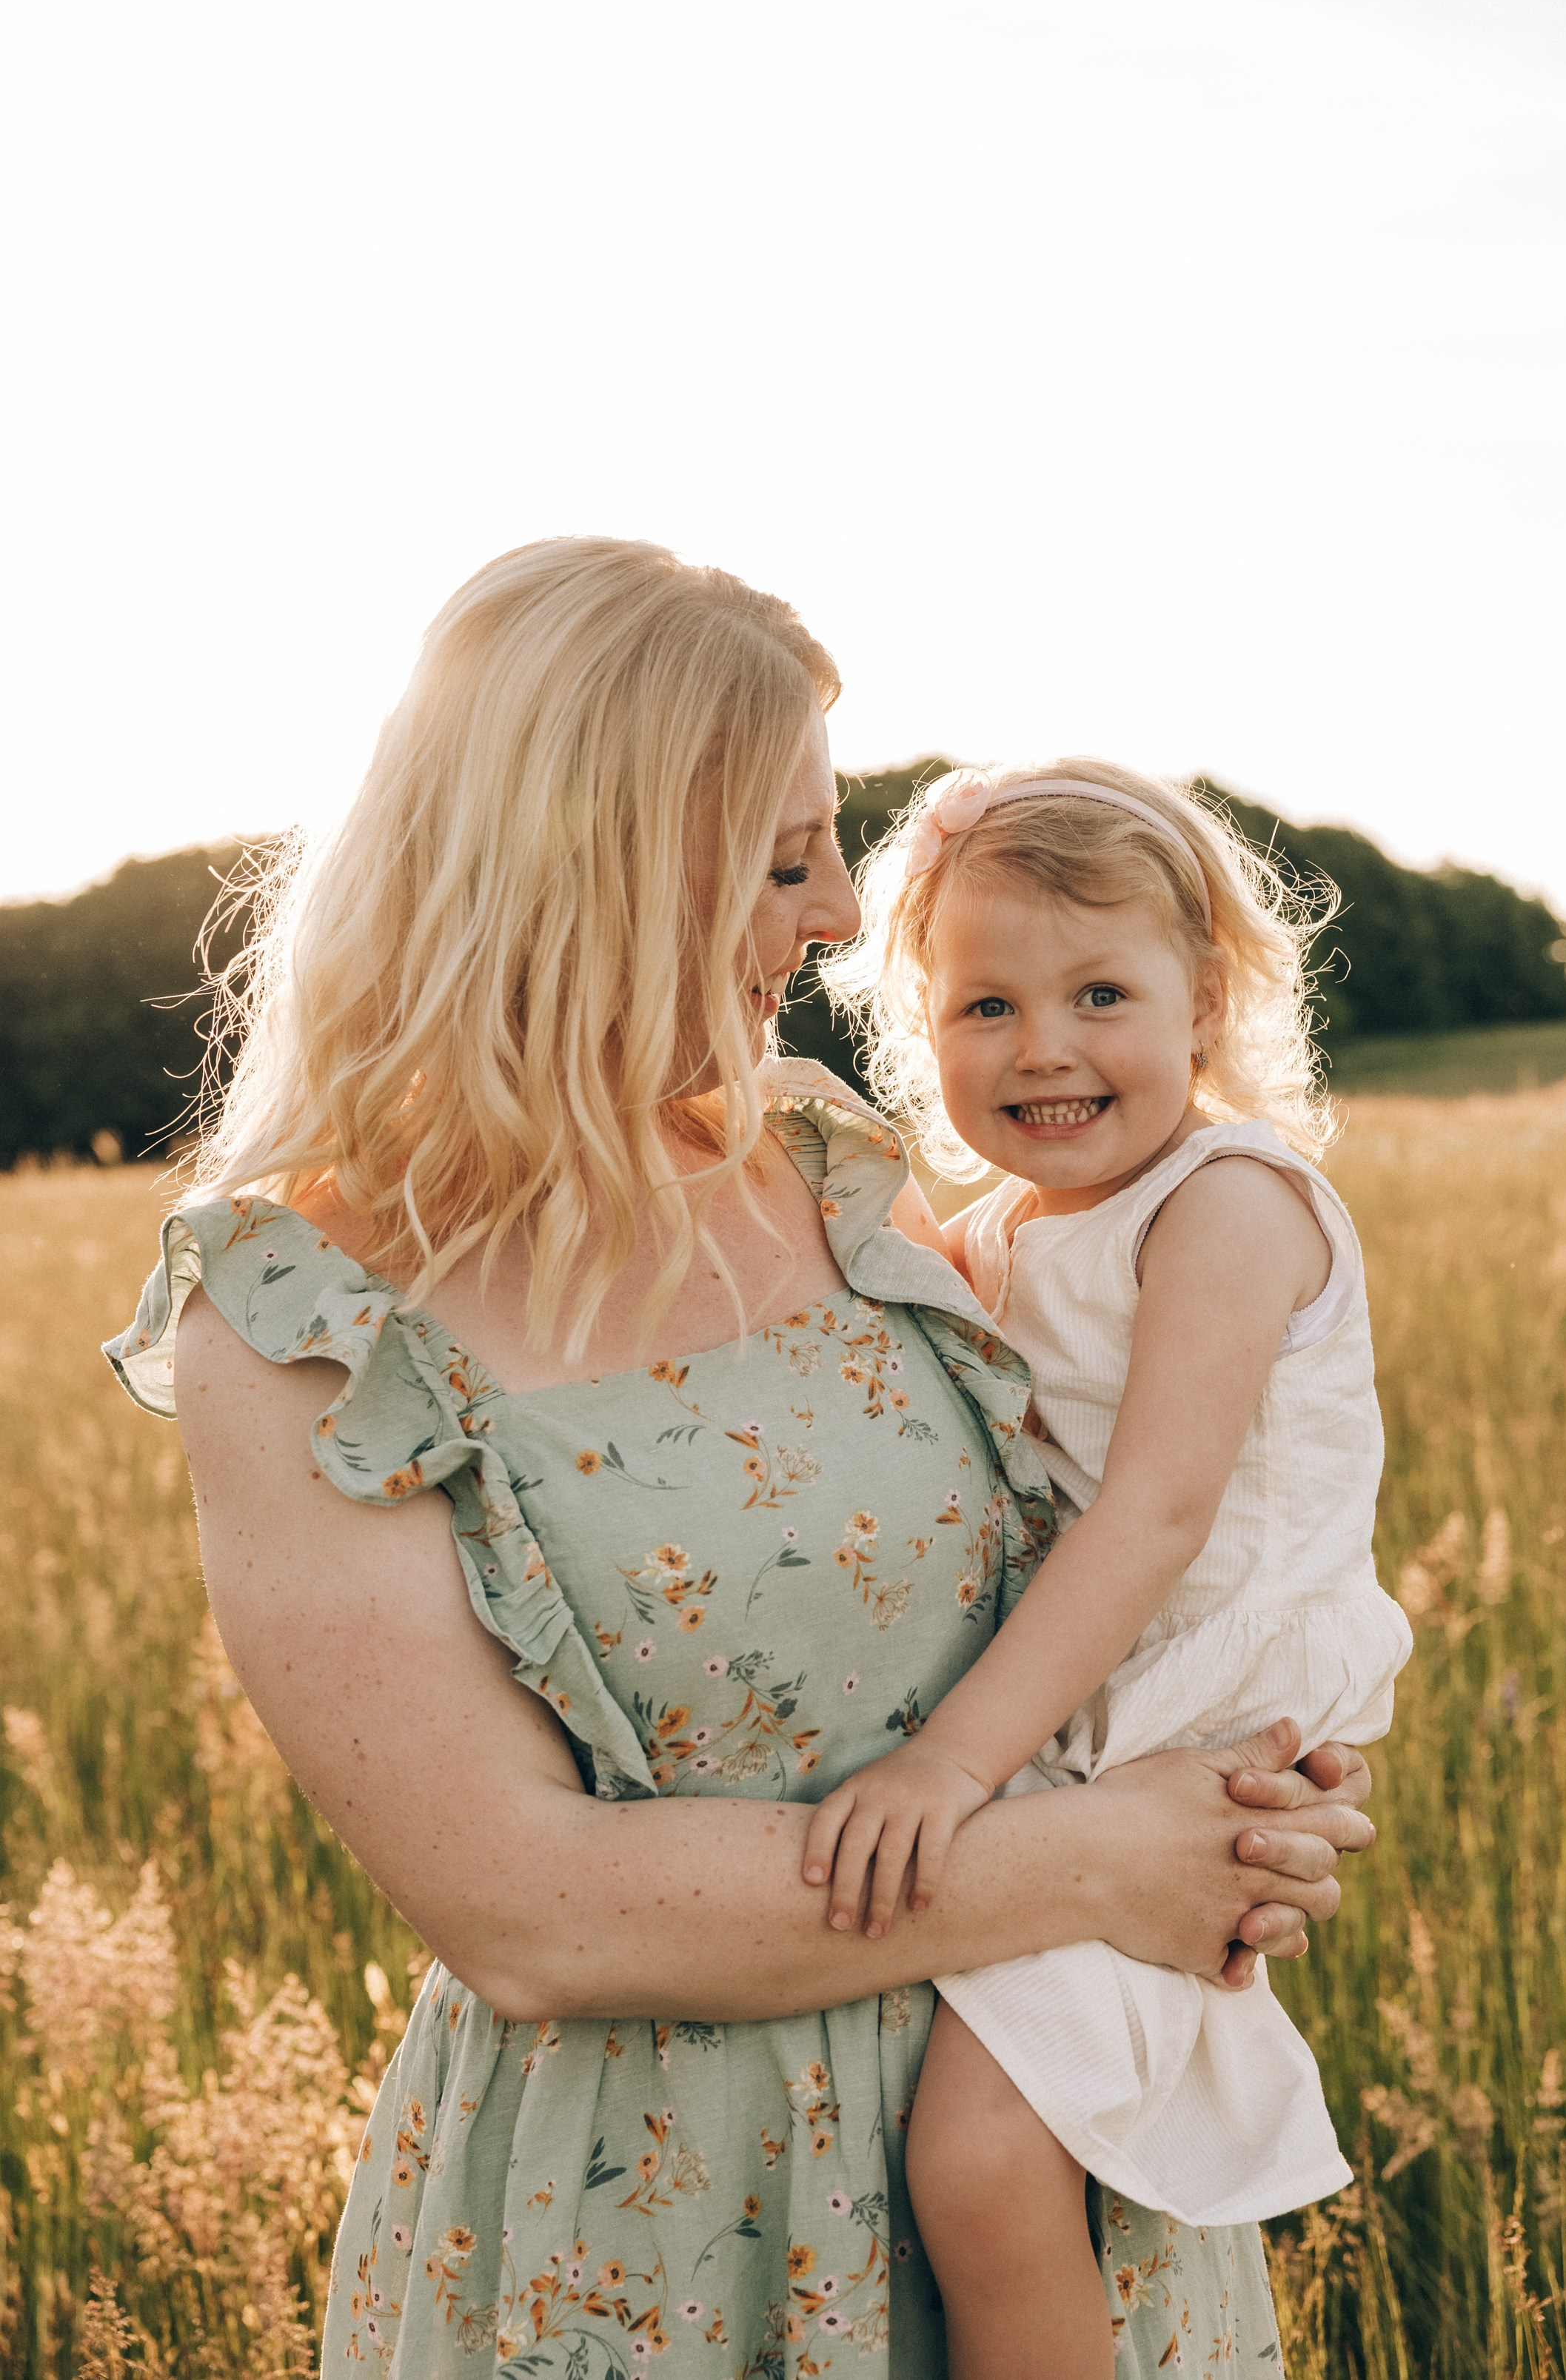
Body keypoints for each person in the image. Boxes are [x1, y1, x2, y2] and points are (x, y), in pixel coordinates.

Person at [104, 540, 1376, 2376]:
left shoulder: (835, 1171)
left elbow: (1122, 1534)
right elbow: (527, 1910)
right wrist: (1108, 1865)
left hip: (1041, 2128)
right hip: (649, 2224)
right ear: (590, 870)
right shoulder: (298, 1319)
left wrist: (1259, 1789)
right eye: (787, 860)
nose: (847, 919)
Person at [811, 761, 1413, 2380]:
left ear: (1204, 999)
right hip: (1099, 1699)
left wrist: (954, 1756)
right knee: (994, 2140)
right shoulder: (1008, 1223)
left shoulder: (1222, 1203)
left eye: (1099, 992)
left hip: (1197, 1709)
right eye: (985, 1004)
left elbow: (1151, 1517)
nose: (1045, 1045)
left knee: (984, 2157)